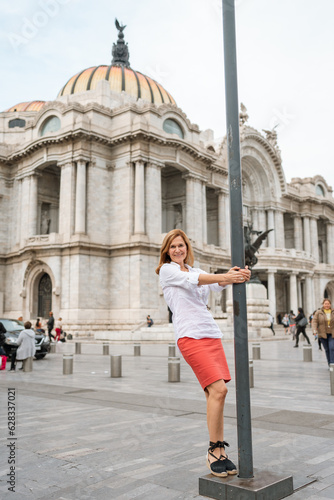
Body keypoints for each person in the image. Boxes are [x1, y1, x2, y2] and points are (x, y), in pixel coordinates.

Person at [155, 229, 251, 477]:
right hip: (189, 336)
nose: (178, 250)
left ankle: (220, 451)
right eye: (173, 246)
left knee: (214, 394)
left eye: (182, 245)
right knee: (220, 390)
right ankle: (213, 449)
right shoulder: (168, 271)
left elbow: (217, 283)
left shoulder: (196, 270)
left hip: (211, 333)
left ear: (187, 248)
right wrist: (225, 275)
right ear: (167, 250)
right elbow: (196, 282)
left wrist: (238, 275)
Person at [312, 299, 334, 365]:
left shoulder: (333, 312)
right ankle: (329, 363)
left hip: (332, 333)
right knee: (327, 349)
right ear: (323, 304)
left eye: (328, 304)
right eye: (325, 304)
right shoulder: (318, 312)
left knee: (332, 348)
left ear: (330, 304)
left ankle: (332, 364)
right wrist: (314, 330)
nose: (327, 305)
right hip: (322, 334)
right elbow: (314, 321)